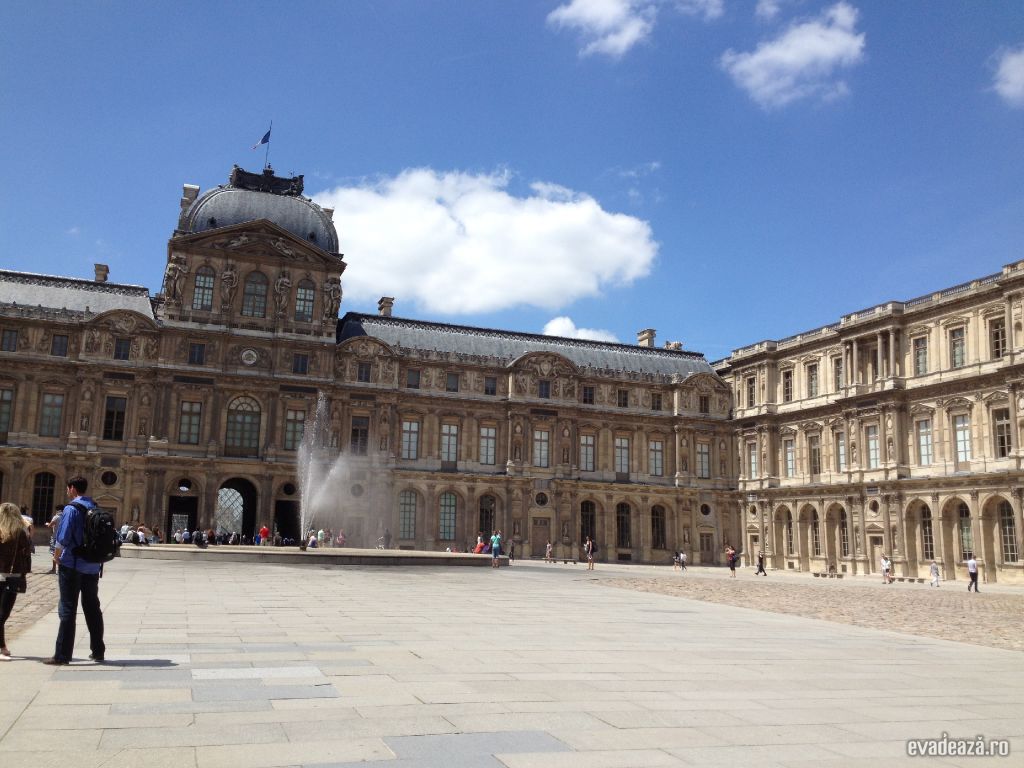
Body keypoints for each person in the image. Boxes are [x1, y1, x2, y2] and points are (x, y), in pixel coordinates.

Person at [45, 477, 105, 665]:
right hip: (93, 566)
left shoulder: (71, 509)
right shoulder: (95, 507)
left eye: (67, 489)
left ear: (72, 489)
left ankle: (62, 655)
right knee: (92, 608)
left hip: (72, 565)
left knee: (68, 608)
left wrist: (56, 557)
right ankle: (98, 651)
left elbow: (62, 537)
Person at [0, 502, 33, 660]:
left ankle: (2, 646)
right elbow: (27, 552)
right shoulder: (19, 532)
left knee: (1, 614)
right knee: (3, 613)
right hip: (12, 576)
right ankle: (1, 648)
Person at [46, 507, 62, 574]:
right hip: (62, 537)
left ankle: (54, 569)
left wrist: (47, 524)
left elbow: (50, 525)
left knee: (54, 553)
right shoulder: (65, 517)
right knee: (61, 554)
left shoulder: (56, 517)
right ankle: (60, 569)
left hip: (55, 537)